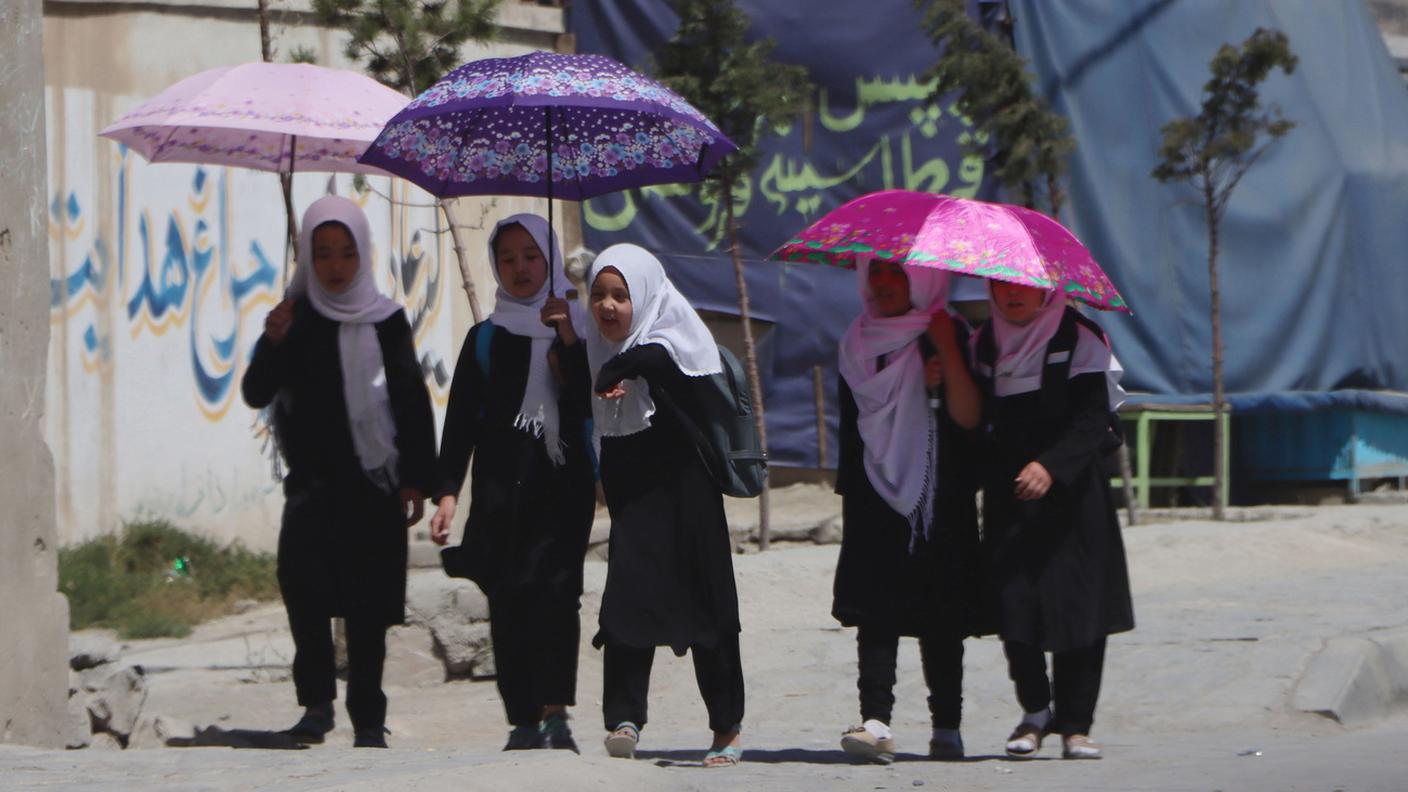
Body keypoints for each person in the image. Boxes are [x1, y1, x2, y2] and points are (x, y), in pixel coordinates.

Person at [241, 195, 436, 749]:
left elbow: (409, 401)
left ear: (363, 255)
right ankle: (316, 707)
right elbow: (256, 392)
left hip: (372, 485)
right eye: (321, 253)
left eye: (346, 253)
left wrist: (417, 478)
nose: (334, 265)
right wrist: (272, 341)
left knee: (367, 609)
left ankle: (368, 718)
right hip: (311, 486)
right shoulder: (293, 318)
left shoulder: (387, 319)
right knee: (304, 595)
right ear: (307, 256)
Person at [429, 214, 596, 752]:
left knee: (556, 597)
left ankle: (555, 713)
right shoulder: (485, 338)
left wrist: (567, 338)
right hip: (501, 490)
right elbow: (461, 423)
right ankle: (521, 718)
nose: (520, 268)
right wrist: (449, 492)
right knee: (507, 600)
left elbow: (589, 401)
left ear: (549, 261)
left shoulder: (578, 328)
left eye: (531, 256)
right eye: (508, 258)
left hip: (561, 491)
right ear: (495, 266)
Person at [584, 244, 745, 768]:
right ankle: (624, 718)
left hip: (687, 499)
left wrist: (615, 371)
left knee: (707, 610)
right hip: (635, 501)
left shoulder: (674, 342)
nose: (608, 307)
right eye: (598, 295)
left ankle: (725, 728)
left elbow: (654, 359)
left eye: (621, 295)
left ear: (646, 296)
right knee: (627, 601)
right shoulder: (595, 347)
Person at [973, 279, 1135, 760]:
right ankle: (1035, 712)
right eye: (1001, 286)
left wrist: (1052, 466)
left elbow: (1092, 420)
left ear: (1047, 290)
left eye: (1024, 286)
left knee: (1078, 607)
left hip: (1074, 496)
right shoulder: (984, 343)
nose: (1011, 295)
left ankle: (1076, 725)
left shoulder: (1080, 338)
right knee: (1014, 604)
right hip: (1011, 496)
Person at [832, 257, 982, 764]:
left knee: (941, 611)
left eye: (897, 273)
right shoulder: (857, 341)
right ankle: (875, 720)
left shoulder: (949, 330)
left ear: (922, 279)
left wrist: (944, 356)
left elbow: (968, 415)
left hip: (940, 494)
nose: (883, 283)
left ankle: (947, 726)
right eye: (876, 272)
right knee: (878, 610)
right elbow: (852, 426)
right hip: (875, 490)